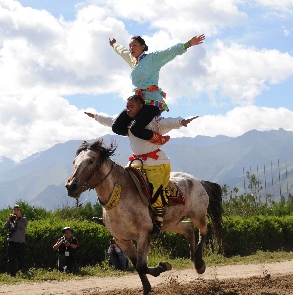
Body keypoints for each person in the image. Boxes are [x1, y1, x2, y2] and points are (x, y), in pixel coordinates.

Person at [85, 95, 198, 236]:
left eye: (131, 106)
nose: (128, 110)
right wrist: (95, 116)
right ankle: (110, 216)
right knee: (121, 183)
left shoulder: (155, 122)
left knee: (155, 189)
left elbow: (168, 122)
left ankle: (158, 221)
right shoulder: (129, 123)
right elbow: (111, 121)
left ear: (140, 106)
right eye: (127, 107)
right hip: (136, 162)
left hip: (157, 163)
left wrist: (182, 121)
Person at [109, 34, 205, 143]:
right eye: (130, 46)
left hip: (152, 102)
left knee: (135, 129)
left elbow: (170, 52)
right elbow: (122, 51)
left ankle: (159, 139)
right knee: (117, 127)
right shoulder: (133, 60)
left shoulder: (152, 59)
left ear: (142, 46)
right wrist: (114, 45)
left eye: (134, 45)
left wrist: (189, 44)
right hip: (137, 101)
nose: (131, 48)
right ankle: (137, 136)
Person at [3, 204, 28, 276]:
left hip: (20, 241)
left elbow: (23, 227)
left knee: (21, 258)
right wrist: (9, 220)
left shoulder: (24, 219)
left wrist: (17, 220)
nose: (16, 211)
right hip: (11, 241)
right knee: (11, 258)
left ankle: (23, 272)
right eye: (14, 210)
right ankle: (12, 274)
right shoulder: (11, 220)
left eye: (17, 210)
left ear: (20, 211)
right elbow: (5, 227)